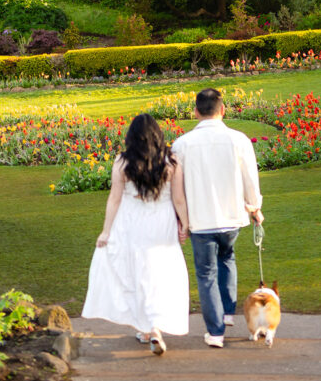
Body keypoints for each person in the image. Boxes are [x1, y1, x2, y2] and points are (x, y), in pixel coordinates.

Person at [82, 113, 190, 355]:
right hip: (161, 222)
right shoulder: (171, 163)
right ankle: (153, 326)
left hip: (131, 222)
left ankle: (147, 327)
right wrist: (185, 224)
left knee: (137, 273)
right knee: (160, 273)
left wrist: (106, 231)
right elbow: (179, 199)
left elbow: (115, 199)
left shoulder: (122, 162)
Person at [171, 88, 264, 348]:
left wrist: (181, 219)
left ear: (196, 112)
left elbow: (176, 188)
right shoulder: (239, 139)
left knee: (206, 274)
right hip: (231, 215)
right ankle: (226, 311)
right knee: (227, 258)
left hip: (200, 219)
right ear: (222, 110)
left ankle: (216, 331)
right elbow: (250, 179)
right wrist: (254, 207)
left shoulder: (182, 144)